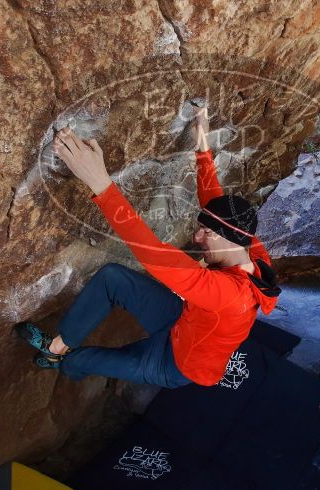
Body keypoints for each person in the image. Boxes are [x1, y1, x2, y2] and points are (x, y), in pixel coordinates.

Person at [16, 106, 280, 388]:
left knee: (81, 361)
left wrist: (100, 183)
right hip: (182, 321)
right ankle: (58, 347)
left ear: (226, 239)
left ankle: (65, 365)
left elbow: (150, 251)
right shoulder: (249, 247)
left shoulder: (228, 294)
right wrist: (202, 142)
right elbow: (215, 203)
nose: (197, 238)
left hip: (175, 364)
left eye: (205, 233)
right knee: (112, 279)